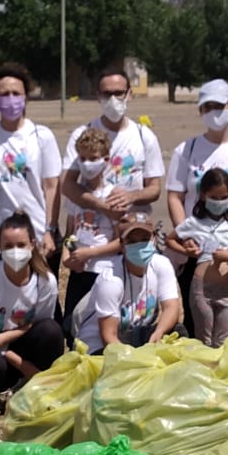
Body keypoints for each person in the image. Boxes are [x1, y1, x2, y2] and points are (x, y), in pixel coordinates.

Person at [58, 67, 162, 314]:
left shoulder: (143, 136)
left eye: (119, 93)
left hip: (131, 241)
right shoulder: (84, 135)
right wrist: (102, 206)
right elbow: (68, 184)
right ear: (97, 95)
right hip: (89, 243)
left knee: (127, 314)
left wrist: (131, 196)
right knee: (80, 317)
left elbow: (155, 189)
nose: (113, 100)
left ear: (130, 94)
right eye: (106, 94)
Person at [165, 78, 228, 334]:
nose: (213, 113)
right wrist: (186, 237)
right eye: (207, 107)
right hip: (195, 253)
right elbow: (175, 196)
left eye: (218, 106)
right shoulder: (186, 150)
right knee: (198, 318)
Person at [0, 213, 66, 395]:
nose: (15, 251)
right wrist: (26, 368)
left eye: (21, 245)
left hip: (20, 346)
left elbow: (40, 325)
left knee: (52, 331)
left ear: (32, 244)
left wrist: (3, 338)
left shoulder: (45, 281)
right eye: (8, 246)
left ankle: (30, 388)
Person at [0, 63, 61, 268]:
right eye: (4, 94)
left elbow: (51, 187)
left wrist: (50, 230)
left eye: (16, 93)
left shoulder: (41, 135)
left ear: (26, 97)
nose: (10, 99)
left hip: (36, 234)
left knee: (40, 296)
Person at [74, 209, 183, 349]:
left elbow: (171, 308)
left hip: (136, 337)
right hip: (99, 346)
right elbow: (108, 336)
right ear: (122, 245)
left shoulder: (161, 264)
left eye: (144, 239)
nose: (139, 246)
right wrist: (135, 359)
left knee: (177, 331)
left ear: (154, 238)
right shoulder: (111, 280)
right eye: (132, 241)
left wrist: (159, 332)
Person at [171, 166, 228, 348]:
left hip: (226, 290)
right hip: (201, 289)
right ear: (203, 195)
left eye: (224, 198)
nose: (219, 202)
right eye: (214, 198)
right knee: (203, 338)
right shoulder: (194, 223)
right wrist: (187, 251)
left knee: (223, 340)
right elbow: (170, 239)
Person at [61, 127, 124, 319]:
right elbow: (70, 233)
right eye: (83, 158)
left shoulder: (113, 196)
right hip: (79, 270)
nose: (87, 164)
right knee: (72, 323)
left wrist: (90, 253)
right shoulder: (76, 196)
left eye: (93, 158)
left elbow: (121, 241)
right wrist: (67, 258)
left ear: (106, 160)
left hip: (104, 271)